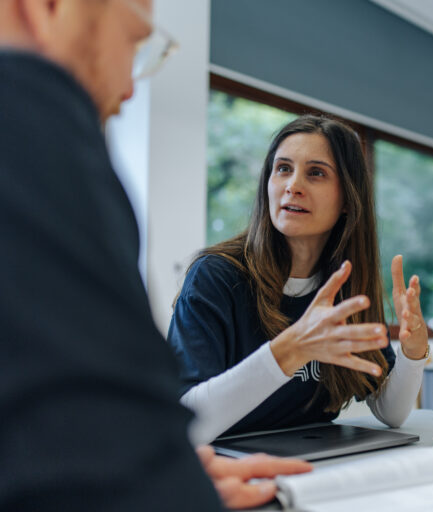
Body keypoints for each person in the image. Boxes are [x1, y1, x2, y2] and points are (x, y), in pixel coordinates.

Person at [0, 0, 311, 509]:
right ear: (48, 7)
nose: (128, 90)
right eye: (133, 39)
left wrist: (157, 464)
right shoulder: (30, 116)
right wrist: (158, 480)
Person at [167, 115, 429, 445]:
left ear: (347, 199)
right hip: (227, 470)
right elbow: (185, 422)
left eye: (316, 173)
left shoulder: (344, 284)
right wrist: (291, 351)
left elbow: (389, 411)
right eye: (283, 169)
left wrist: (413, 352)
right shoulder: (215, 276)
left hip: (315, 465)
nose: (293, 185)